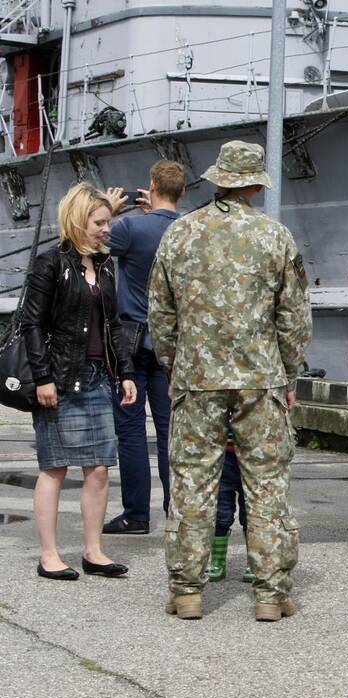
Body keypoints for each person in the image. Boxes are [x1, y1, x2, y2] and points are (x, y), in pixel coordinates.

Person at [148, 140, 312, 622]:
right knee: (267, 483)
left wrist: (175, 365)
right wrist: (288, 372)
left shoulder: (180, 234)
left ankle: (187, 591)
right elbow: (294, 317)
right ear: (255, 185)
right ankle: (270, 593)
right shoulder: (274, 236)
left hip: (196, 377)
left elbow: (160, 313)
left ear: (219, 180)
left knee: (193, 482)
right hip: (260, 379)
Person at [23, 182, 137, 580]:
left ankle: (93, 551)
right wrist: (43, 377)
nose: (108, 228)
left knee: (100, 467)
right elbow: (31, 323)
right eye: (100, 222)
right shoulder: (50, 263)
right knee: (55, 466)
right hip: (60, 376)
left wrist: (125, 372)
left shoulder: (105, 266)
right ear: (78, 221)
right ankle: (50, 554)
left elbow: (114, 325)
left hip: (97, 376)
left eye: (108, 222)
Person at [102, 159, 186, 535]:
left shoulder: (129, 227)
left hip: (131, 341)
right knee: (170, 430)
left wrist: (110, 209)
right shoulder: (187, 229)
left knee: (132, 430)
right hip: (173, 342)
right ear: (181, 191)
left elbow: (88, 244)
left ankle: (136, 514)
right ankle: (175, 510)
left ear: (151, 186)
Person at [208, 430, 253, 583]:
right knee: (221, 513)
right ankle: (217, 562)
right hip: (221, 454)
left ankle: (254, 561)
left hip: (253, 452)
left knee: (252, 513)